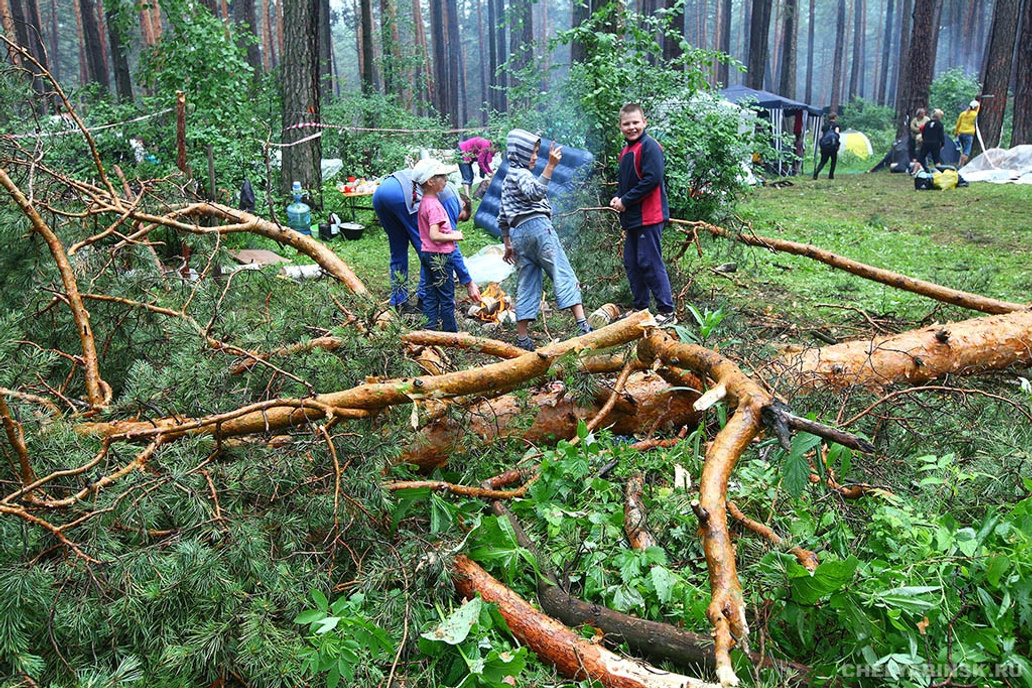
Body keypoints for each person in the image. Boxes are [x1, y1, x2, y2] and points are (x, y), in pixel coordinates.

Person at [499, 128, 592, 351]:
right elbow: (535, 193)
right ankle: (583, 325)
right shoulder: (520, 174)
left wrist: (508, 244)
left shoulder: (506, 180)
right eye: (532, 153)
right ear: (519, 153)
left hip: (519, 236)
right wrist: (550, 166)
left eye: (537, 153)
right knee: (562, 271)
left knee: (527, 284)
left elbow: (502, 217)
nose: (534, 158)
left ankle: (522, 339)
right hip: (539, 228)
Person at [372, 163, 481, 313]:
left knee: (398, 251)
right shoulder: (452, 200)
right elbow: (449, 245)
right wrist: (468, 281)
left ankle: (399, 301)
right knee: (429, 251)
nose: (456, 221)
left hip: (381, 192)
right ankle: (424, 301)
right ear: (463, 204)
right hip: (401, 195)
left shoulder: (440, 191)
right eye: (460, 218)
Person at [609, 103, 676, 325]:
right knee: (632, 261)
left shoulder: (650, 147)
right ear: (620, 126)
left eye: (635, 122)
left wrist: (626, 201)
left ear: (644, 122)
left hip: (650, 215)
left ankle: (667, 311)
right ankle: (640, 308)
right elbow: (626, 183)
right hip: (633, 218)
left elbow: (652, 179)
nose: (632, 127)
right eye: (627, 124)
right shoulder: (625, 152)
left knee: (649, 261)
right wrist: (618, 197)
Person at [414, 159, 465, 332]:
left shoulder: (424, 203)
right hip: (440, 257)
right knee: (446, 297)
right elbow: (434, 235)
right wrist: (454, 236)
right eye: (442, 176)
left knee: (430, 296)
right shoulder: (434, 206)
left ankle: (430, 332)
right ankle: (451, 336)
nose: (446, 180)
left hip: (427, 254)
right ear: (430, 181)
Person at [813, 113, 840, 180]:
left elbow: (821, 137)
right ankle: (831, 175)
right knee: (833, 160)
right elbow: (837, 135)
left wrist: (821, 147)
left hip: (825, 146)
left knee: (823, 161)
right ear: (835, 118)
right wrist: (838, 145)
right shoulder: (836, 126)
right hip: (833, 146)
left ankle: (817, 171)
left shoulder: (824, 126)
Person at [954, 100, 979, 168]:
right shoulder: (975, 115)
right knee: (966, 151)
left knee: (963, 150)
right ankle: (962, 166)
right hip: (969, 134)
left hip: (961, 133)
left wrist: (956, 133)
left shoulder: (963, 114)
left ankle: (959, 164)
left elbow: (958, 124)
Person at [908, 108, 929, 172]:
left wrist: (923, 130)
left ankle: (925, 166)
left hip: (924, 137)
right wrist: (919, 129)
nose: (923, 114)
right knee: (918, 152)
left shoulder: (927, 119)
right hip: (916, 137)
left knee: (923, 153)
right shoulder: (915, 120)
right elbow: (912, 127)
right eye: (921, 113)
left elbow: (928, 127)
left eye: (923, 113)